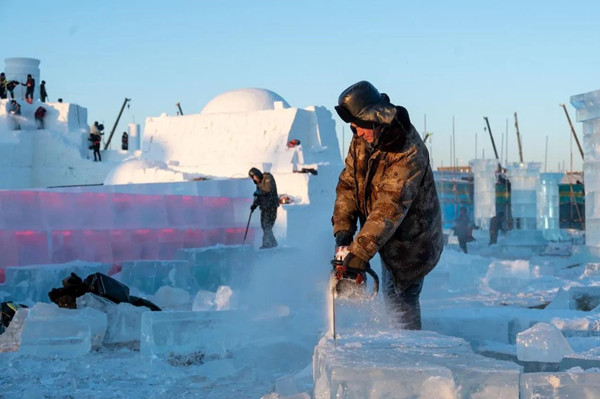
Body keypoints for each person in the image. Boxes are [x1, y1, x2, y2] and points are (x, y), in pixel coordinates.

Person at [332, 81, 443, 330]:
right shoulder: (363, 139)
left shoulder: (408, 152)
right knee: (391, 296)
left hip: (412, 243)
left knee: (401, 300)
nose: (356, 132)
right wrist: (344, 230)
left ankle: (410, 355)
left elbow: (388, 208)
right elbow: (349, 184)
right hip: (383, 237)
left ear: (375, 119)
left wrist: (360, 252)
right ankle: (398, 345)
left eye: (359, 126)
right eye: (352, 127)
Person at [249, 167, 279, 249]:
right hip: (264, 207)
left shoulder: (268, 177)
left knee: (267, 226)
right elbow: (259, 198)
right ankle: (273, 243)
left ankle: (266, 244)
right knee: (264, 226)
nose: (254, 179)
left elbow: (269, 189)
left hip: (271, 206)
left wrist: (259, 192)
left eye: (254, 176)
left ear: (257, 174)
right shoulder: (258, 184)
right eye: (252, 178)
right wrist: (254, 206)